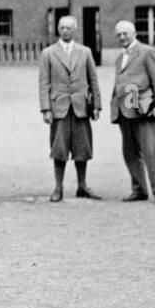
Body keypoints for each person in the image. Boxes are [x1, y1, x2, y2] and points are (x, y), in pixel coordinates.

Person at [109, 20, 155, 204]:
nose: (122, 37)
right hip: (125, 110)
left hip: (144, 109)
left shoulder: (147, 52)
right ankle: (139, 189)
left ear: (134, 33)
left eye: (125, 33)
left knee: (150, 151)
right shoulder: (119, 58)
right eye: (119, 34)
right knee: (129, 152)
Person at [39, 15, 102, 201]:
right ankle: (58, 187)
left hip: (81, 107)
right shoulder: (48, 53)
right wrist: (46, 109)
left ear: (74, 30)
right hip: (59, 107)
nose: (64, 30)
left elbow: (93, 80)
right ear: (57, 29)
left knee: (82, 147)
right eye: (61, 27)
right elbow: (43, 83)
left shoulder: (85, 52)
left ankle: (82, 186)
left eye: (68, 28)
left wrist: (97, 105)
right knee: (59, 148)